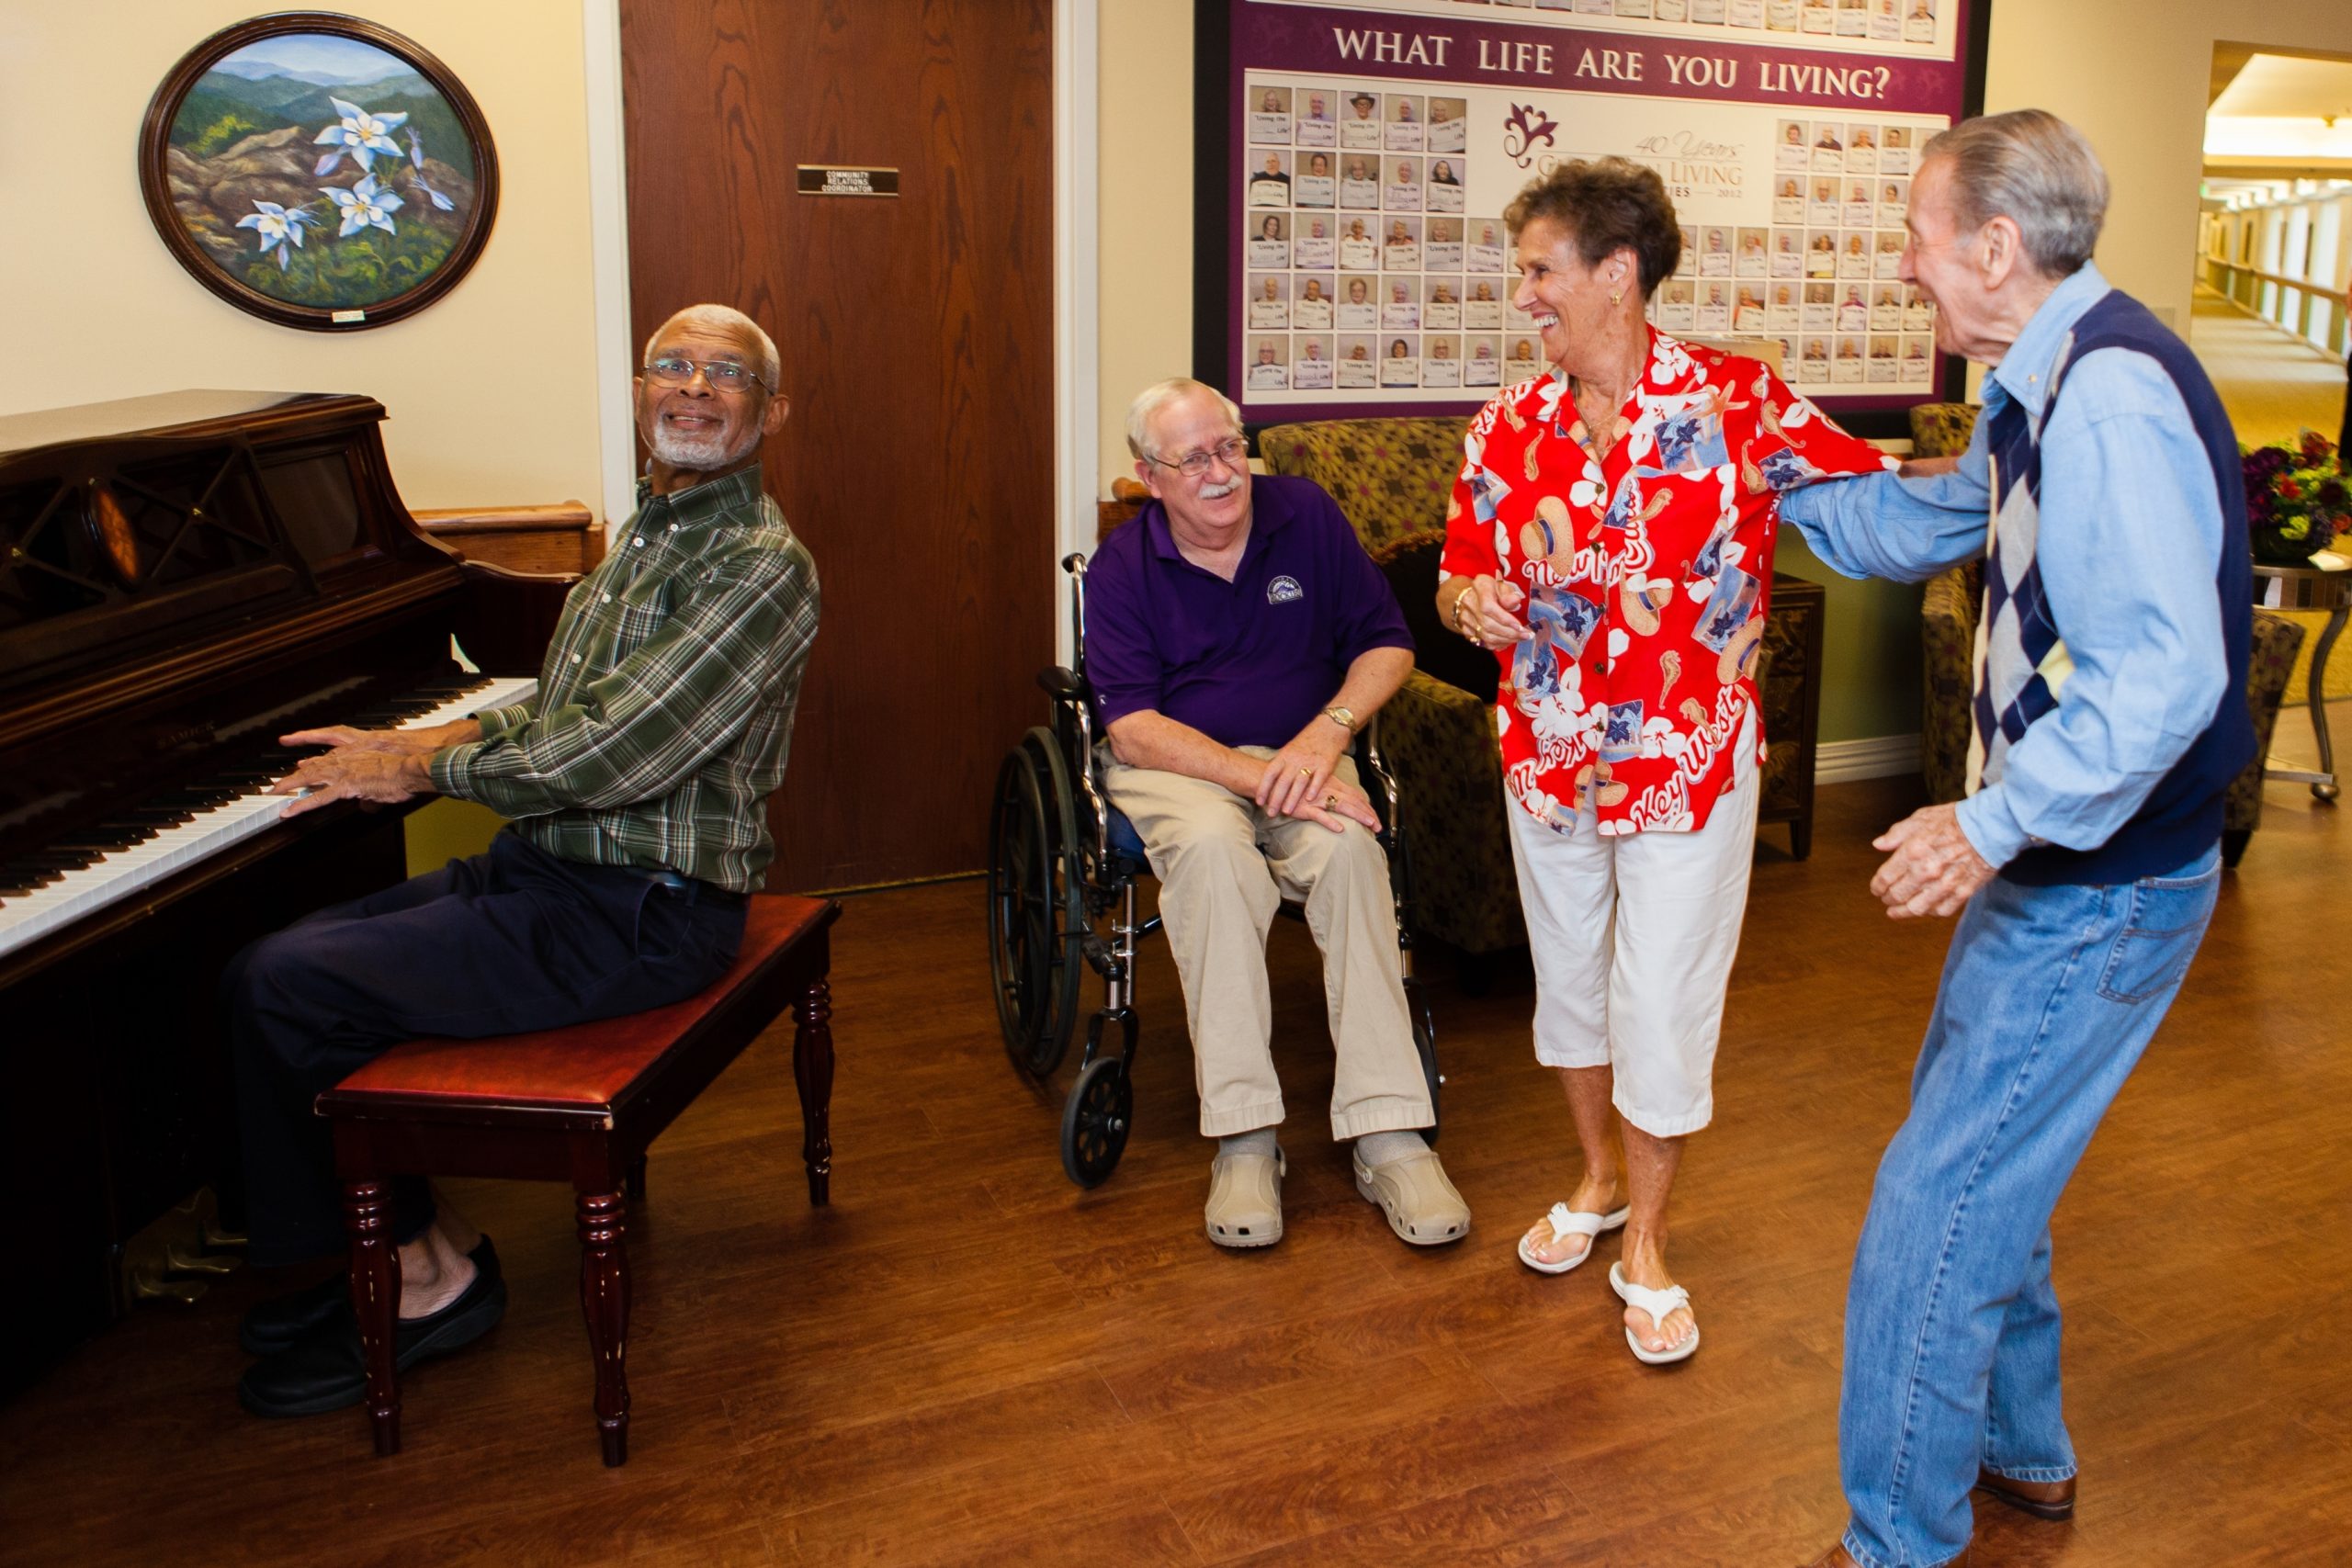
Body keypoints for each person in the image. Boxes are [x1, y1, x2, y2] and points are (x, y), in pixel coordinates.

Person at [1776, 110, 2251, 1568]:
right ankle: (2021, 1452)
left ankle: (1896, 1545)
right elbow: (1938, 519)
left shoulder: (2104, 397)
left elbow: (2166, 676)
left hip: (2099, 881)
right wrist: (1759, 483)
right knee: (1992, 1162)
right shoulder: (2042, 385)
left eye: (1921, 234)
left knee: (1938, 1199)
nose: (1906, 263)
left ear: (1995, 243)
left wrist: (1986, 822)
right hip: (2066, 865)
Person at [223, 304, 820, 1416]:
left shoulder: (756, 566)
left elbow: (611, 752)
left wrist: (420, 770)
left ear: (769, 411)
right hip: (547, 870)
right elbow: (559, 709)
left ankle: (423, 1279)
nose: (694, 388)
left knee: (285, 985)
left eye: (727, 375)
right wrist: (431, 739)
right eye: (672, 366)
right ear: (642, 390)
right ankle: (420, 1241)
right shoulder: (652, 531)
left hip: (644, 910)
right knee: (271, 955)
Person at [1438, 157, 1891, 1365]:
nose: (1523, 292)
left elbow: (1875, 501)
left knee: (1661, 993)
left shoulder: (1739, 403)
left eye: (1541, 268)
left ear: (1618, 273)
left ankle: (1647, 1237)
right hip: (1547, 754)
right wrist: (1471, 599)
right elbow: (1455, 572)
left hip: (1686, 761)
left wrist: (2016, 479)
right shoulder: (1508, 423)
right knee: (1574, 980)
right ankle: (1593, 1179)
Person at [1086, 379, 1470, 1251]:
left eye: (1230, 448)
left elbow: (1387, 643)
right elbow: (1135, 728)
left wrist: (1321, 740)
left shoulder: (1306, 517)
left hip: (1304, 752)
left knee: (1348, 854)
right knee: (1218, 858)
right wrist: (1265, 778)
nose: (1221, 473)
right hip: (1181, 763)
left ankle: (1389, 1130)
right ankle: (1246, 1136)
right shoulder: (1122, 570)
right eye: (1193, 459)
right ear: (1149, 475)